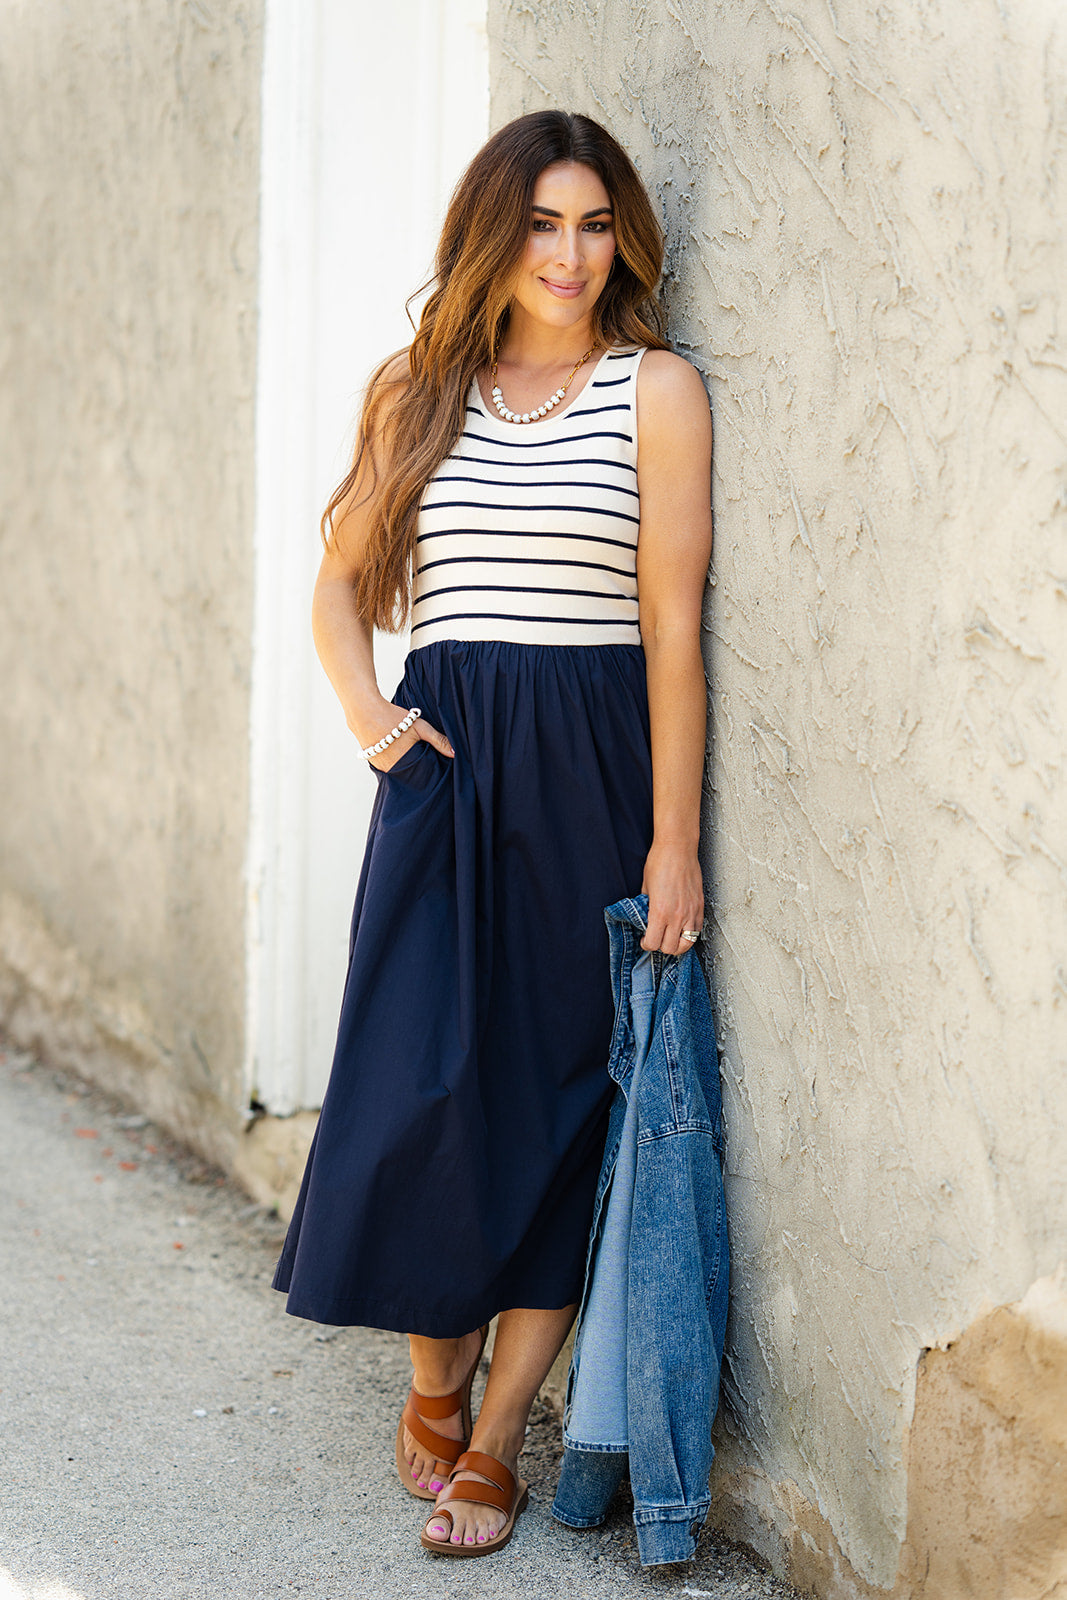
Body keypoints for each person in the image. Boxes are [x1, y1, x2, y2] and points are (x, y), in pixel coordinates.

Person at [272, 108, 713, 1560]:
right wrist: (373, 722)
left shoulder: (655, 393)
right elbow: (339, 585)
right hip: (447, 770)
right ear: (494, 236)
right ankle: (433, 1371)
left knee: (563, 1107)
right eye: (541, 225)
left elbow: (670, 629)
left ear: (622, 238)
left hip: (592, 775)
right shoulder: (420, 389)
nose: (570, 255)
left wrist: (672, 843)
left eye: (594, 225)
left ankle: (499, 1436)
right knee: (418, 1091)